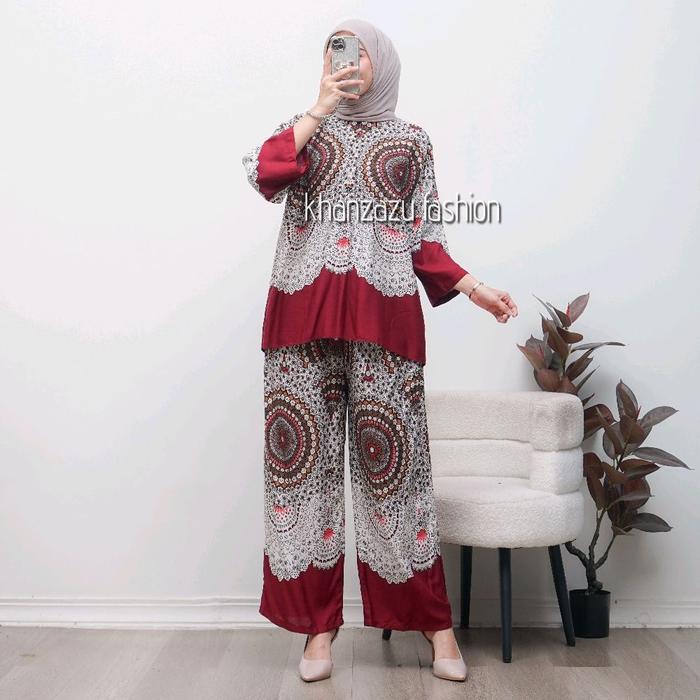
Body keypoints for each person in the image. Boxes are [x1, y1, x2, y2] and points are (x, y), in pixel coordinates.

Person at [242, 18, 517, 684]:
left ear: (383, 63)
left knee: (398, 476)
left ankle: (434, 625)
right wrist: (318, 110)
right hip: (300, 328)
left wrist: (472, 286)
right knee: (302, 477)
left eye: (361, 51)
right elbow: (264, 174)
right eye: (337, 49)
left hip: (384, 326)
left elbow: (425, 236)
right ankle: (318, 631)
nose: (350, 60)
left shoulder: (410, 142)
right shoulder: (302, 130)